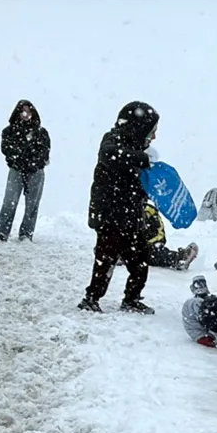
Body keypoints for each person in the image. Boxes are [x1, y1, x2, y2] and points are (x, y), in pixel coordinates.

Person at [78, 101, 159, 314]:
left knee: (140, 260)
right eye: (151, 131)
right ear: (137, 126)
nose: (154, 137)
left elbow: (137, 183)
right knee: (106, 260)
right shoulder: (112, 140)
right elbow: (110, 154)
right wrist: (142, 160)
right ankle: (91, 298)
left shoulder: (138, 148)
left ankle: (131, 299)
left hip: (132, 216)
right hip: (110, 216)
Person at [0, 100, 50, 242]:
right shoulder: (9, 131)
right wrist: (19, 160)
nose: (25, 115)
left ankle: (26, 234)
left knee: (32, 204)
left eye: (28, 111)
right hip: (16, 171)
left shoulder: (41, 132)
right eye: (23, 111)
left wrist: (33, 163)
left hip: (36, 172)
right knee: (9, 201)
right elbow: (6, 150)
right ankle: (1, 232)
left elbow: (44, 152)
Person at [142, 201, 199, 271]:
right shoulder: (127, 211)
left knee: (153, 253)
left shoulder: (148, 210)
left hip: (148, 246)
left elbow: (159, 233)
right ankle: (177, 259)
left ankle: (179, 259)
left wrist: (148, 243)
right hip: (129, 250)